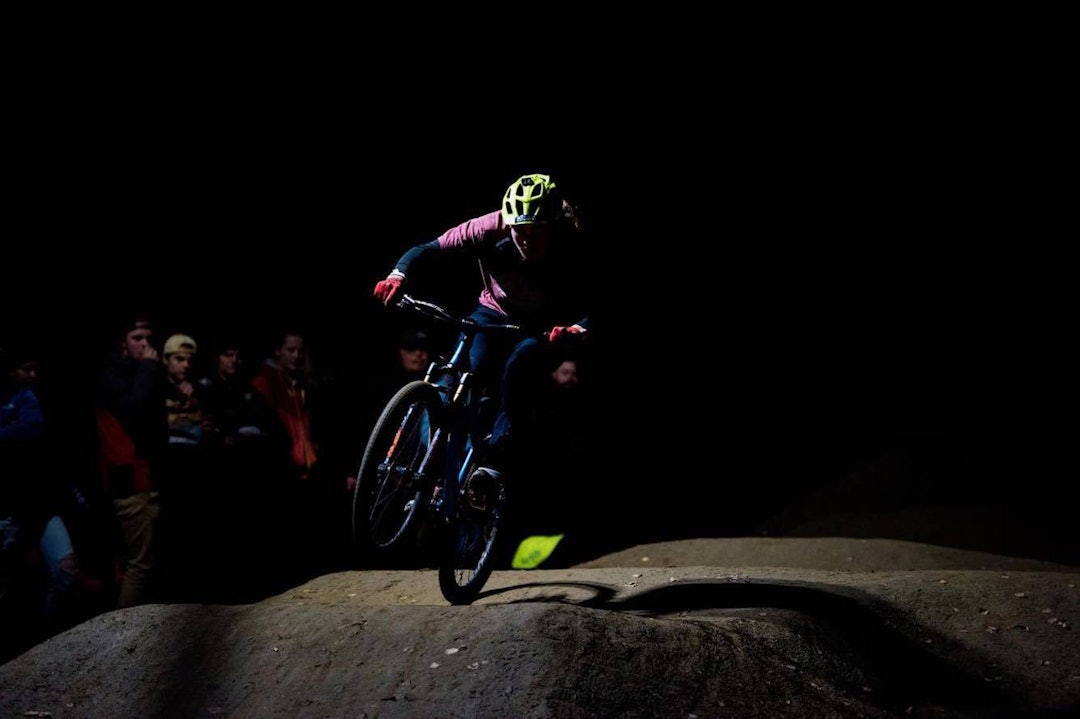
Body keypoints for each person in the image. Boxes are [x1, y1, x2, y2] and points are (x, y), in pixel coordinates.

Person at [371, 172, 592, 497]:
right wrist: (397, 275)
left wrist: (577, 327)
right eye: (520, 230)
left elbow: (592, 300)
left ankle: (494, 460)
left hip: (542, 325)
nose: (527, 240)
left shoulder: (570, 244)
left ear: (551, 224)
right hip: (493, 312)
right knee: (459, 375)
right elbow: (429, 248)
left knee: (518, 365)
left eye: (536, 231)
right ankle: (432, 459)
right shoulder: (489, 227)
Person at [94, 314, 167, 608]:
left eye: (149, 339)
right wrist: (149, 368)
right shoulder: (112, 376)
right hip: (130, 485)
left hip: (146, 479)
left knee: (140, 564)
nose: (145, 345)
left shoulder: (138, 373)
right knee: (139, 566)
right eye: (138, 338)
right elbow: (133, 410)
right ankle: (122, 637)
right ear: (123, 343)